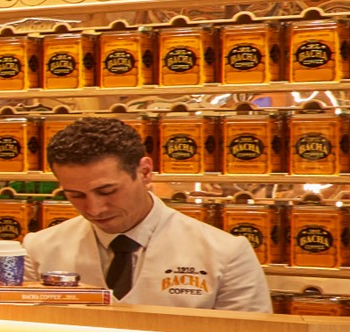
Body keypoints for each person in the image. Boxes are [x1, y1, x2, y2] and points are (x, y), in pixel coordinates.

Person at [24, 115, 271, 312]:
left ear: (144, 172)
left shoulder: (226, 254)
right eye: (76, 195)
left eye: (107, 190)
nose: (94, 209)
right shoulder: (39, 249)